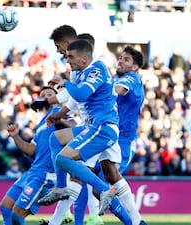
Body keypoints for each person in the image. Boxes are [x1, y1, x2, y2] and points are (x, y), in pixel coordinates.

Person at [39, 25, 127, 225]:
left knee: (65, 162)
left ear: (83, 57)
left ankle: (105, 191)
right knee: (55, 139)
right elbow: (71, 100)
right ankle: (61, 189)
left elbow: (79, 95)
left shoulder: (97, 68)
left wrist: (64, 83)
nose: (66, 60)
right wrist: (52, 103)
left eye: (69, 57)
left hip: (103, 128)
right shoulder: (79, 72)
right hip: (92, 127)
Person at [0, 86, 73, 225]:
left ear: (57, 99)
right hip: (32, 172)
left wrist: (60, 121)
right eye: (43, 95)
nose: (45, 96)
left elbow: (74, 124)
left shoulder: (58, 112)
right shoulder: (41, 124)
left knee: (17, 214)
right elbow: (30, 150)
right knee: (5, 207)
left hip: (45, 174)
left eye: (49, 94)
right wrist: (15, 136)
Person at [99, 45, 148, 225]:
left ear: (135, 67)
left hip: (123, 141)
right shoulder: (115, 78)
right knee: (92, 180)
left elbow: (119, 90)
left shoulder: (132, 78)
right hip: (107, 138)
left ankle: (135, 221)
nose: (120, 60)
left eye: (126, 59)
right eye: (120, 57)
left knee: (106, 181)